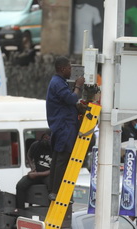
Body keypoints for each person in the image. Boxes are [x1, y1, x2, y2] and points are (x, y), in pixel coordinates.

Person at [47, 56, 85, 197]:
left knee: (58, 159)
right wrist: (78, 86)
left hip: (61, 126)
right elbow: (70, 98)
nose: (71, 70)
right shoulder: (58, 83)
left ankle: (53, 190)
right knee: (62, 160)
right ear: (63, 69)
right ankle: (56, 191)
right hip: (64, 127)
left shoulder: (58, 82)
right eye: (69, 68)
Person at [15, 130, 52, 210]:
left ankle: (51, 210)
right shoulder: (36, 145)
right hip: (36, 171)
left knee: (52, 187)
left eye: (48, 138)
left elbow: (54, 170)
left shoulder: (55, 149)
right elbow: (29, 156)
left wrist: (37, 174)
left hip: (48, 174)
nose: (46, 139)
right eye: (44, 138)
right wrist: (33, 168)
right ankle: (20, 210)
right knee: (20, 185)